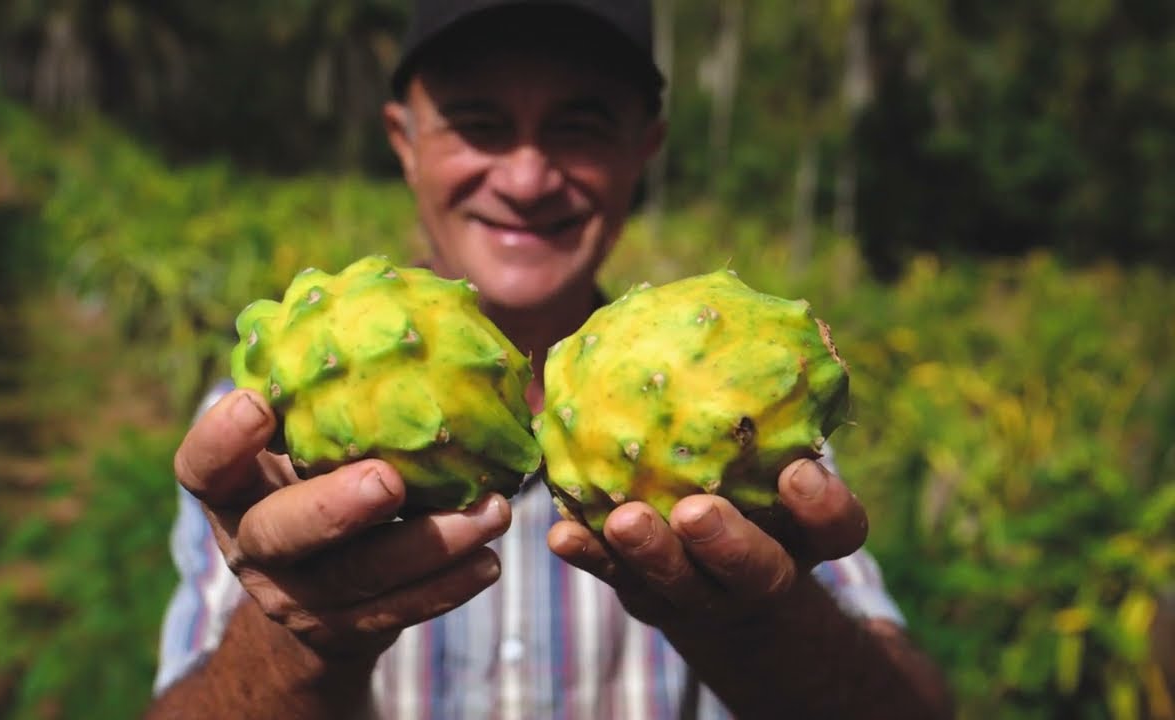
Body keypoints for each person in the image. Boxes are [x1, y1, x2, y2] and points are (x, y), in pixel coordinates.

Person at [144, 1, 954, 717]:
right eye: (478, 122)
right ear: (405, 140)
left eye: (580, 125)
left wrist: (764, 627)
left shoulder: (749, 423)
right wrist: (302, 642)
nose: (528, 178)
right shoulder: (271, 432)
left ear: (647, 148)